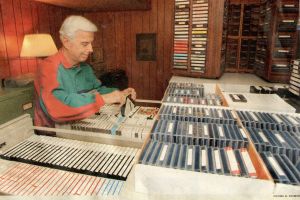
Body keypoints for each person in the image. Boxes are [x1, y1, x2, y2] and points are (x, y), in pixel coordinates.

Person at [34, 15, 136, 128]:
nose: (91, 49)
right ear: (66, 42)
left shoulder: (85, 68)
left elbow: (97, 91)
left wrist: (118, 93)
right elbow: (56, 108)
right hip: (53, 136)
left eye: (91, 43)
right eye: (85, 44)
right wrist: (104, 99)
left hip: (79, 127)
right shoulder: (48, 67)